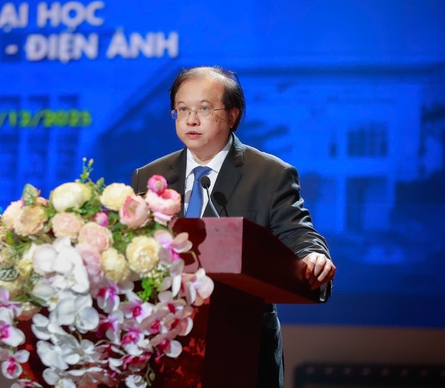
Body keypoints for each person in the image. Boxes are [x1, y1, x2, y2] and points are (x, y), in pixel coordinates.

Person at [130, 65, 336, 388]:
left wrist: (313, 256)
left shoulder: (269, 174)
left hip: (242, 341)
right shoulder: (150, 176)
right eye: (182, 109)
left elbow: (297, 232)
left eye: (203, 109)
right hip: (165, 340)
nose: (191, 120)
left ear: (232, 115)